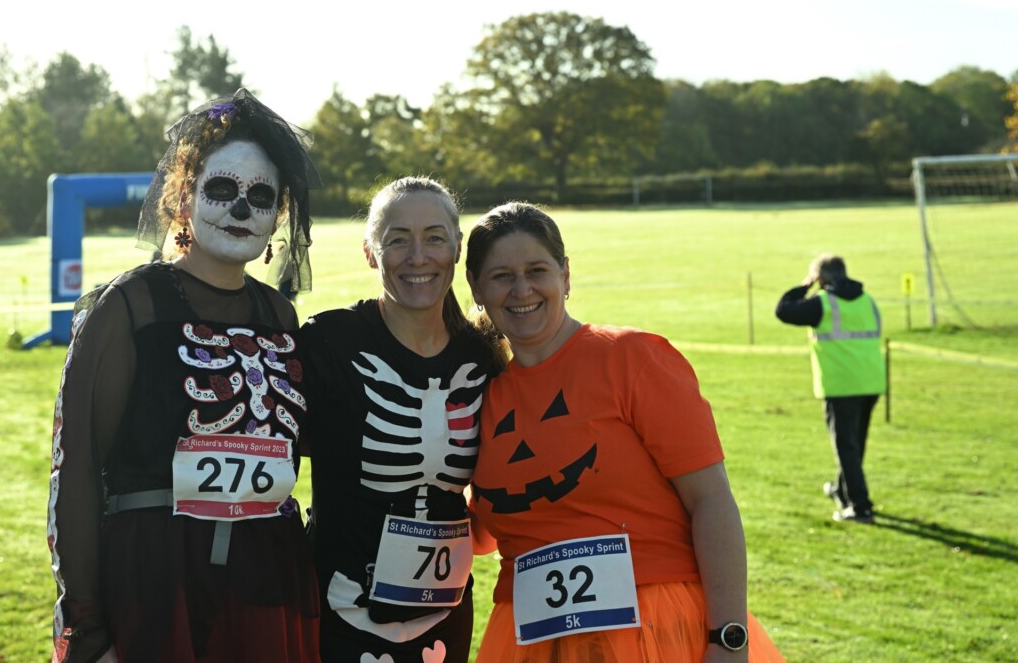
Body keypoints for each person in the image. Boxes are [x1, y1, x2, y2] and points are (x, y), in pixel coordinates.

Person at [47, 88, 323, 662]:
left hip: (268, 574)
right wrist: (88, 624)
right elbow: (74, 469)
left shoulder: (280, 315)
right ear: (184, 198)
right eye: (222, 190)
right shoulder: (129, 306)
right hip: (156, 581)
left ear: (280, 215)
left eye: (261, 196)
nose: (241, 210)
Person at [464, 202, 783, 662]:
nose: (521, 289)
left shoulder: (631, 358)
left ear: (565, 276)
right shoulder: (481, 396)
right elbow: (480, 536)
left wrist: (728, 639)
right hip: (531, 642)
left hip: (657, 630)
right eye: (501, 276)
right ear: (476, 286)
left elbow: (711, 500)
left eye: (537, 270)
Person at [298, 177, 505, 662]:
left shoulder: (484, 355)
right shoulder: (329, 342)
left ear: (457, 248)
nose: (418, 256)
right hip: (339, 600)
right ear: (371, 253)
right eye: (397, 240)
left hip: (444, 605)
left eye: (434, 237)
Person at [775, 253, 886, 524]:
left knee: (846, 447)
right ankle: (842, 491)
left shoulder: (823, 303)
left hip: (841, 384)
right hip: (871, 381)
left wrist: (805, 285)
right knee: (854, 444)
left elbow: (784, 310)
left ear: (821, 279)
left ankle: (860, 507)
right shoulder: (867, 300)